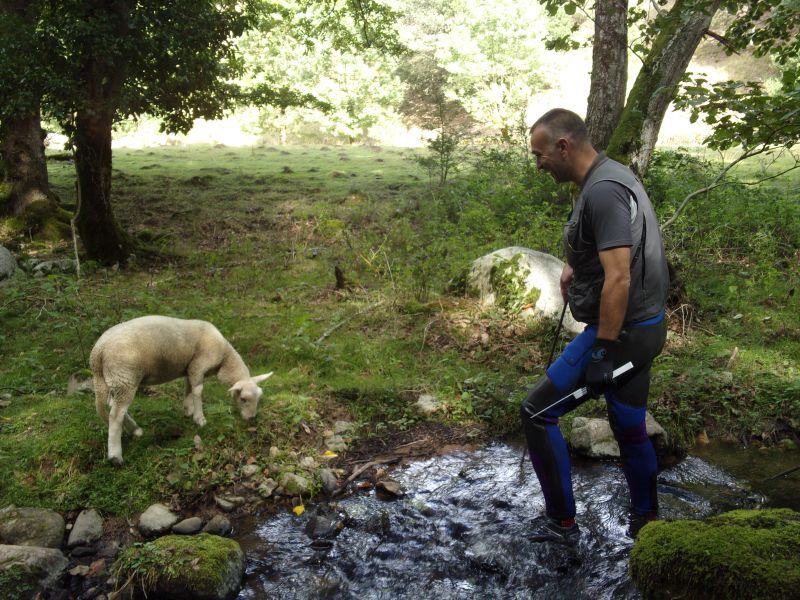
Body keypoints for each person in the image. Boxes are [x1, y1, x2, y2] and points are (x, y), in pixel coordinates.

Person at [521, 108, 669, 544]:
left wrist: (603, 350)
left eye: (540, 154)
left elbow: (620, 276)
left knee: (537, 412)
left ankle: (561, 524)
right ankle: (647, 522)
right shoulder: (609, 175)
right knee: (627, 425)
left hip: (622, 335)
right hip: (644, 328)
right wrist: (573, 266)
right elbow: (612, 244)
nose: (539, 164)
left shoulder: (602, 190)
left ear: (563, 146)